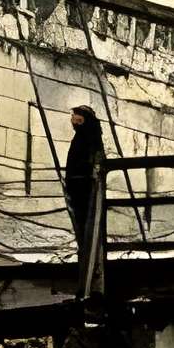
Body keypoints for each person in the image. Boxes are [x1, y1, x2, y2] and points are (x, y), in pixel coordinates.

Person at [63, 104, 108, 300]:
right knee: (84, 232)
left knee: (87, 231)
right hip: (79, 186)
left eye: (77, 117)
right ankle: (88, 274)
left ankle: (91, 277)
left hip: (85, 189)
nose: (74, 120)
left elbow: (95, 160)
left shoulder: (89, 137)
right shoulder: (83, 136)